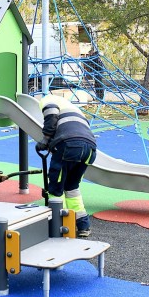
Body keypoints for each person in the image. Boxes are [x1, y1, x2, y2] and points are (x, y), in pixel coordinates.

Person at [38, 94, 97, 238]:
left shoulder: (48, 100)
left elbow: (51, 114)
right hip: (90, 149)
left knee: (56, 186)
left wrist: (45, 140)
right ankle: (83, 225)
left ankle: (58, 224)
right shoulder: (74, 109)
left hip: (69, 145)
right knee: (72, 187)